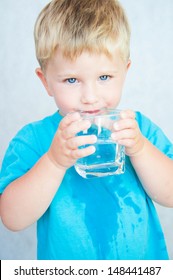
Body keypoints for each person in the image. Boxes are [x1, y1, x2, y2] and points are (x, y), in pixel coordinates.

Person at [0, 0, 173, 260]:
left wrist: (139, 149)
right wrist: (54, 162)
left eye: (104, 77)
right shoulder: (34, 140)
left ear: (124, 72)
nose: (90, 97)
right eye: (72, 80)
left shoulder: (138, 129)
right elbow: (12, 218)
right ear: (46, 81)